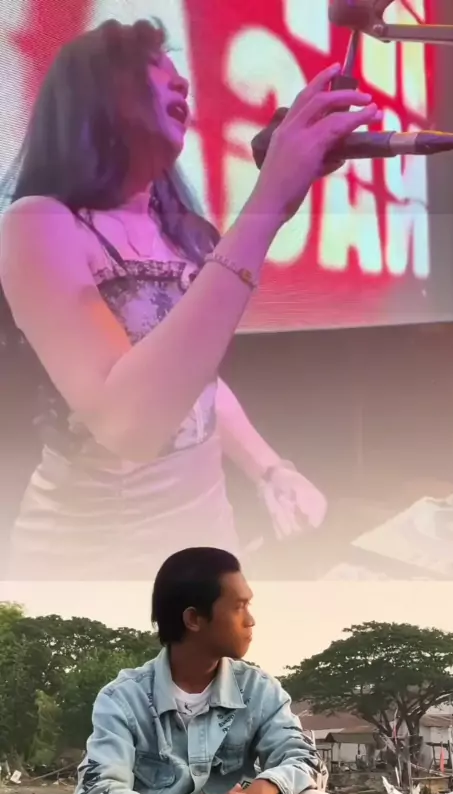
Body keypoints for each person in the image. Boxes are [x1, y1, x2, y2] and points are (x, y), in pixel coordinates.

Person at [0, 18, 379, 582]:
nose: (181, 83)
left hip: (207, 543)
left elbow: (197, 383)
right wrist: (268, 204)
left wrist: (270, 469)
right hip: (93, 564)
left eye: (179, 75)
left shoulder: (182, 231)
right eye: (153, 71)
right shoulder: (38, 223)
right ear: (93, 94)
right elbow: (128, 425)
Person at [74, 547, 347, 794]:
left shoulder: (259, 690)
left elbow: (304, 757)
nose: (251, 620)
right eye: (239, 607)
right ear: (194, 619)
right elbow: (98, 792)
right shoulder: (123, 699)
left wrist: (268, 787)